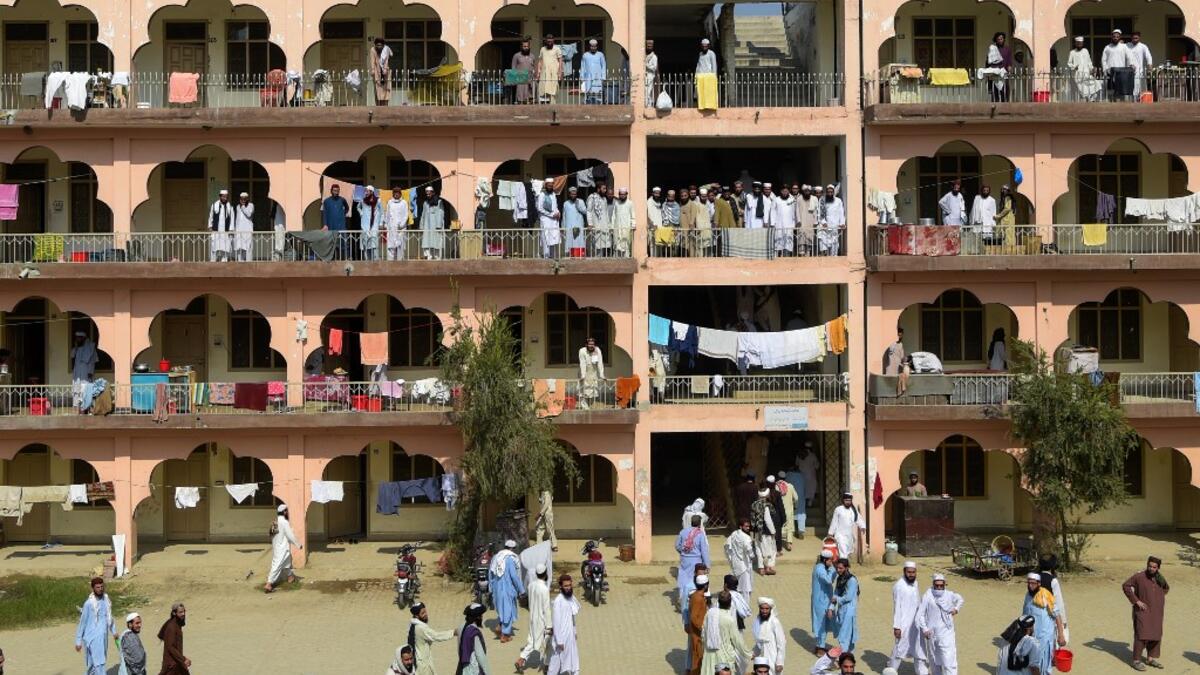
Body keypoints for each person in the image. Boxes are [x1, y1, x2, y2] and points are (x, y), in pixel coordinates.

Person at [1123, 555, 1169, 671]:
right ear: (1147, 565)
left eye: (1154, 567)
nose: (1151, 569)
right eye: (1150, 566)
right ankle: (1136, 660)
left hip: (1157, 612)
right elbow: (1126, 586)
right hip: (1142, 611)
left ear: (1158, 568)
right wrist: (1136, 601)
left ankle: (1150, 658)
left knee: (1156, 635)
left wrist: (1158, 597)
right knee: (1141, 634)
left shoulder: (1159, 578)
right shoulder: (1139, 576)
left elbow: (1166, 588)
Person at [917, 573, 963, 675]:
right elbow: (921, 614)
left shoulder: (949, 595)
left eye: (941, 586)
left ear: (944, 585)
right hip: (931, 633)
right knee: (934, 660)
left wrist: (956, 609)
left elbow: (960, 599)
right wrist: (925, 629)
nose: (938, 588)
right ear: (933, 584)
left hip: (946, 632)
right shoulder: (927, 596)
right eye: (936, 585)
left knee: (948, 659)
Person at [700, 591, 752, 675]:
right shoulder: (729, 619)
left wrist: (705, 647)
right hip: (724, 656)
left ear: (719, 602)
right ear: (730, 603)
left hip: (709, 653)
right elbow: (737, 640)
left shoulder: (710, 613)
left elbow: (703, 633)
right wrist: (748, 654)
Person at [75, 577, 117, 675]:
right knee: (99, 663)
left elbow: (109, 617)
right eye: (98, 587)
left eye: (102, 587)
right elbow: (82, 623)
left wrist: (114, 631)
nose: (100, 589)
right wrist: (78, 641)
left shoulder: (106, 600)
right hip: (92, 638)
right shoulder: (88, 604)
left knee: (93, 665)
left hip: (103, 636)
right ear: (93, 588)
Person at [1023, 573, 1064, 673]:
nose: (1030, 586)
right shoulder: (1028, 596)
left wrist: (1061, 635)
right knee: (1031, 665)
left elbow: (1057, 615)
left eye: (1033, 583)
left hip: (1044, 638)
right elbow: (1024, 615)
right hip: (1031, 637)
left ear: (1039, 583)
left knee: (1044, 666)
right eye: (1029, 583)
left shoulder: (1046, 595)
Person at [889, 562, 924, 674]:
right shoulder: (899, 586)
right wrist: (897, 626)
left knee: (919, 648)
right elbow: (897, 608)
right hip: (904, 624)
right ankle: (891, 670)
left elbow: (918, 602)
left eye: (913, 572)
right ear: (904, 572)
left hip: (916, 623)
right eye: (909, 572)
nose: (911, 575)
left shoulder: (915, 583)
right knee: (899, 649)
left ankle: (921, 672)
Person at [516, 565, 551, 671]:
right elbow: (547, 609)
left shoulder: (531, 585)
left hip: (532, 617)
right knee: (546, 641)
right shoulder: (544, 589)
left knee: (532, 640)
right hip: (541, 619)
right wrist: (549, 626)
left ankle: (521, 660)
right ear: (545, 574)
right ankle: (546, 665)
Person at [489, 539, 525, 643]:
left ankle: (500, 627)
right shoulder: (510, 558)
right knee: (508, 610)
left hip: (497, 588)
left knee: (503, 609)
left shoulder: (496, 557)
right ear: (513, 548)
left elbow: (490, 573)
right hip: (507, 588)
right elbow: (514, 576)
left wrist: (491, 588)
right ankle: (505, 635)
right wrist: (521, 590)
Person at [406, 602, 455, 675]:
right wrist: (453, 632)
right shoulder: (421, 628)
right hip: (423, 664)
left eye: (425, 611)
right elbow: (436, 636)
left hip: (419, 660)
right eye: (422, 613)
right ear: (416, 616)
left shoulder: (412, 624)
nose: (425, 614)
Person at [547, 575, 581, 674]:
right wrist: (560, 641)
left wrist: (574, 631)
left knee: (574, 661)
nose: (568, 588)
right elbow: (556, 623)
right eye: (566, 586)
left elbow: (572, 617)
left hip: (570, 636)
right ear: (561, 586)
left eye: (570, 585)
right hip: (561, 638)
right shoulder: (558, 601)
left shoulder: (571, 598)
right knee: (555, 665)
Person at [265, 503, 302, 592]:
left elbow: (271, 535)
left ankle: (290, 577)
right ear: (284, 512)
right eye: (287, 511)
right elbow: (290, 535)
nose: (288, 513)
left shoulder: (276, 521)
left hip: (277, 547)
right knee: (277, 565)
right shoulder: (284, 522)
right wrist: (298, 544)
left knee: (287, 562)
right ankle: (269, 584)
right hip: (282, 548)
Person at [677, 514, 712, 606]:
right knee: (696, 581)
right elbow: (704, 550)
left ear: (691, 522)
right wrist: (707, 565)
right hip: (696, 561)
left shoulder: (683, 532)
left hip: (684, 560)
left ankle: (682, 598)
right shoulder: (700, 534)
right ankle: (693, 600)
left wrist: (684, 552)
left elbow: (677, 546)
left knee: (683, 579)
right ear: (699, 524)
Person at [828, 559, 859, 653]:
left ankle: (843, 657)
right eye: (837, 568)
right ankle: (848, 656)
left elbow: (849, 597)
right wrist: (831, 608)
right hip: (842, 610)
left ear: (846, 568)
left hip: (849, 610)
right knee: (846, 634)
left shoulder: (852, 580)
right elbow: (836, 593)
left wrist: (837, 599)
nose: (838, 570)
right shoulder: (840, 579)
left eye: (841, 568)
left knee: (844, 635)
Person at [1038, 555, 1068, 644]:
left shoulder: (1035, 579)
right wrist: (1063, 620)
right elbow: (1059, 602)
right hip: (1049, 614)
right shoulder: (1053, 580)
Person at [811, 550, 836, 654]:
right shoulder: (820, 569)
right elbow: (828, 580)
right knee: (821, 623)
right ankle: (820, 647)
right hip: (820, 601)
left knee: (824, 623)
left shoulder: (822, 568)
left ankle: (820, 645)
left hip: (824, 600)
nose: (832, 562)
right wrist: (832, 569)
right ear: (825, 560)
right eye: (830, 560)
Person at [828, 492, 866, 561]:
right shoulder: (838, 509)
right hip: (840, 535)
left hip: (849, 536)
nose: (848, 502)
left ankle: (842, 566)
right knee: (843, 552)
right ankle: (844, 568)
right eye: (846, 500)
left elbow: (858, 519)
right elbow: (834, 522)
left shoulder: (853, 510)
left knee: (846, 552)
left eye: (849, 501)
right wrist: (830, 533)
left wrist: (862, 526)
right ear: (843, 500)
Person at [724, 518, 754, 605]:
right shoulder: (746, 538)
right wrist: (752, 556)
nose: (748, 528)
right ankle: (744, 606)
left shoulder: (733, 534)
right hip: (744, 566)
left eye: (749, 526)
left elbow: (726, 545)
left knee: (736, 586)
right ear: (741, 527)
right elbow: (749, 549)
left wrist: (730, 557)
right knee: (746, 588)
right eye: (746, 526)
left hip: (735, 564)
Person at [752, 597, 785, 673]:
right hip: (762, 657)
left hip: (773, 656)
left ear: (770, 609)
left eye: (767, 609)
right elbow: (760, 641)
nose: (764, 611)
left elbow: (781, 643)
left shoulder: (775, 622)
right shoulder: (759, 621)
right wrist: (754, 653)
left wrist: (780, 662)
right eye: (762, 609)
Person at [686, 575, 711, 675]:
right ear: (705, 586)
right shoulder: (697, 598)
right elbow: (693, 617)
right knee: (697, 659)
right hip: (698, 634)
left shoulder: (698, 596)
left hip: (699, 633)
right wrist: (702, 629)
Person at [750, 488, 778, 575]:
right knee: (769, 550)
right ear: (767, 495)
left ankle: (761, 568)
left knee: (758, 549)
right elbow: (767, 520)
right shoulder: (766, 505)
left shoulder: (754, 504)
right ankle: (768, 568)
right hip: (765, 532)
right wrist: (773, 531)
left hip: (757, 531)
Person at [456, 603, 489, 675]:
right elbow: (480, 655)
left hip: (461, 667)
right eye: (481, 616)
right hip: (473, 669)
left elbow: (459, 649)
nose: (482, 618)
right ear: (478, 617)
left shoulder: (460, 627)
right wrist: (487, 672)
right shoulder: (473, 633)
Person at [157, 602, 190, 675]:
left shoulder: (177, 625)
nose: (183, 614)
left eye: (184, 611)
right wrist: (183, 659)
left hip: (177, 662)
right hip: (171, 665)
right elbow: (171, 647)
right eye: (180, 612)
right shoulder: (171, 627)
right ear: (174, 613)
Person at [70, 330, 99, 409]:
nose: (77, 340)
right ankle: (76, 406)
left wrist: (90, 371)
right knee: (76, 388)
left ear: (83, 338)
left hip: (86, 372)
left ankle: (86, 406)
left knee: (86, 389)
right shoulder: (76, 348)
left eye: (79, 338)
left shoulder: (90, 348)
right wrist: (75, 347)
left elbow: (93, 361)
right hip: (77, 372)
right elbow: (72, 356)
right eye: (76, 338)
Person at [1102, 29, 1134, 101]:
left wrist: (1131, 64)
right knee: (1111, 90)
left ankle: (1121, 108)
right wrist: (1105, 70)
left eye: (1117, 36)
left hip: (1121, 72)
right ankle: (1111, 105)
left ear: (1120, 37)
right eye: (1114, 36)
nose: (1115, 38)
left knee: (1121, 91)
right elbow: (1103, 60)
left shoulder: (1124, 46)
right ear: (1112, 37)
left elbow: (1129, 57)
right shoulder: (1107, 47)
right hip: (1110, 71)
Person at [1067, 37, 1102, 102]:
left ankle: (1092, 98)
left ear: (1082, 43)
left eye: (1081, 43)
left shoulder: (1085, 51)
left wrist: (1092, 68)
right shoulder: (1072, 52)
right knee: (1083, 89)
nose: (1079, 44)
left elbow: (1089, 61)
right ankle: (1089, 100)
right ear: (1076, 43)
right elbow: (1069, 63)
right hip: (1078, 74)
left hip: (1086, 72)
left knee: (1096, 84)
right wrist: (1074, 67)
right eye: (1078, 43)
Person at [534, 179, 562, 259]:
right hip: (545, 220)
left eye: (552, 185)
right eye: (549, 185)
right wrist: (551, 214)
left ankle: (553, 258)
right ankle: (546, 258)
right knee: (546, 239)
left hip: (554, 221)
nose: (550, 187)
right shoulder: (542, 195)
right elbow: (540, 208)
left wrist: (558, 212)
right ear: (545, 185)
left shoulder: (553, 194)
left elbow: (555, 206)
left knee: (553, 238)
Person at [322, 184, 351, 259]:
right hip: (331, 226)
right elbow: (325, 213)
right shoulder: (326, 201)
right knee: (332, 244)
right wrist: (325, 224)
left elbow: (347, 208)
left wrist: (342, 215)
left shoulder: (342, 200)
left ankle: (346, 259)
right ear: (331, 191)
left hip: (341, 226)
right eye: (334, 191)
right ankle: (331, 261)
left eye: (338, 191)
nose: (336, 192)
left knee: (344, 244)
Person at [586, 183, 614, 256]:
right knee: (596, 246)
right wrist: (590, 223)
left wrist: (609, 225)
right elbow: (588, 211)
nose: (605, 190)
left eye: (605, 189)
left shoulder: (604, 199)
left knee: (604, 246)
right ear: (598, 189)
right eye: (603, 188)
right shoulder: (592, 197)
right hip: (596, 225)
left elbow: (606, 213)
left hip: (604, 226)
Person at [418, 186, 446, 260]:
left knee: (436, 240)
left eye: (429, 193)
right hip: (427, 224)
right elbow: (423, 214)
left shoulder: (439, 202)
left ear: (433, 193)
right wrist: (421, 225)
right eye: (427, 194)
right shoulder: (425, 203)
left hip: (436, 225)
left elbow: (441, 213)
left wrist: (439, 225)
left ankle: (437, 256)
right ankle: (428, 255)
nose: (428, 195)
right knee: (426, 240)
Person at [577, 336, 605, 408]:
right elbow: (582, 363)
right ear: (586, 345)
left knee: (593, 392)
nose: (591, 346)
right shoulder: (582, 351)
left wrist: (602, 375)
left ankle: (589, 408)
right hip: (584, 372)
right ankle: (585, 409)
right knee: (583, 392)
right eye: (590, 344)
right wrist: (583, 375)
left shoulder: (597, 350)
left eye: (593, 344)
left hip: (593, 373)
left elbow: (600, 363)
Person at [535, 34, 564, 103]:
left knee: (553, 91)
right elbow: (540, 61)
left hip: (554, 73)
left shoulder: (557, 49)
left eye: (551, 41)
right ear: (546, 41)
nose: (549, 43)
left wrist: (560, 72)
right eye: (548, 41)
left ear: (553, 41)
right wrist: (538, 73)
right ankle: (544, 108)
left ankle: (553, 107)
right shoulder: (542, 49)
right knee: (543, 90)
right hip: (544, 73)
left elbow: (560, 61)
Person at [817, 184, 844, 256]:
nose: (830, 193)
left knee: (834, 248)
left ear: (833, 192)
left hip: (834, 227)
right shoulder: (822, 200)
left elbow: (841, 213)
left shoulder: (838, 201)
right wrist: (823, 222)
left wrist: (842, 223)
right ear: (826, 192)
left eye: (831, 192)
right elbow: (820, 212)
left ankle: (834, 263)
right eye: (828, 192)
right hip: (824, 228)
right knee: (824, 247)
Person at [986, 32, 1013, 102]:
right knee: (995, 92)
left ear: (1004, 39)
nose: (1000, 40)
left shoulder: (1007, 49)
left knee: (1004, 91)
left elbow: (1009, 60)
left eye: (1001, 39)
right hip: (995, 72)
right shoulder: (993, 49)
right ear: (996, 40)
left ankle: (1005, 107)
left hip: (1004, 73)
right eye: (998, 39)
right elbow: (988, 61)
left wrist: (1009, 67)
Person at [385, 186, 410, 261]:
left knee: (400, 247)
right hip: (391, 228)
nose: (396, 194)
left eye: (397, 193)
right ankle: (390, 263)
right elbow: (387, 214)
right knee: (391, 246)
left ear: (400, 194)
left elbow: (406, 215)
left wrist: (402, 225)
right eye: (394, 193)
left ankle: (400, 263)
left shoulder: (404, 202)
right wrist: (386, 225)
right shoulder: (390, 202)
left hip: (401, 229)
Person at [208, 189, 234, 261]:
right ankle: (213, 262)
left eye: (226, 197)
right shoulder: (214, 205)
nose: (225, 198)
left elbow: (232, 218)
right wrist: (210, 226)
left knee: (225, 248)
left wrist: (231, 229)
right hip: (216, 230)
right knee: (214, 247)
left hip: (226, 231)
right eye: (223, 196)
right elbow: (211, 216)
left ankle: (224, 262)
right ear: (220, 197)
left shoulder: (230, 206)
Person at [560, 186, 587, 257]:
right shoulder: (566, 203)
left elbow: (585, 211)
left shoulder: (580, 201)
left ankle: (579, 257)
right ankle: (570, 257)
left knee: (579, 243)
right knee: (570, 243)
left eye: (575, 194)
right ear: (569, 194)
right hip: (569, 227)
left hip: (579, 227)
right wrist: (563, 227)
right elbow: (564, 216)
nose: (573, 195)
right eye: (572, 194)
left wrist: (578, 206)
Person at [358, 186, 383, 261]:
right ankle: (367, 261)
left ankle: (375, 261)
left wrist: (381, 223)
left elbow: (382, 212)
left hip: (374, 224)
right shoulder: (363, 200)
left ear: (372, 192)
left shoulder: (378, 200)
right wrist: (361, 212)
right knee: (365, 244)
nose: (366, 192)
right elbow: (358, 207)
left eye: (367, 191)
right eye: (365, 191)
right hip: (365, 225)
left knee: (374, 243)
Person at [775, 472, 799, 550]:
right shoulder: (790, 486)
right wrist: (795, 506)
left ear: (778, 478)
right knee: (789, 527)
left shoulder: (776, 487)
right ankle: (789, 544)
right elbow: (796, 498)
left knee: (779, 526)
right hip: (789, 511)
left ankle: (778, 543)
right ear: (785, 478)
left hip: (779, 511)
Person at [231, 191, 256, 261]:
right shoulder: (237, 207)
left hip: (247, 230)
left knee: (248, 247)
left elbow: (249, 214)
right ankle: (240, 262)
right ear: (240, 199)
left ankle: (248, 262)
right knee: (239, 247)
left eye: (245, 199)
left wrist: (243, 207)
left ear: (247, 199)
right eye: (242, 199)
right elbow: (237, 219)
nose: (243, 200)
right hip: (239, 230)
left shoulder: (251, 205)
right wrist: (235, 229)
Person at [773, 185, 797, 257]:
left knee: (788, 242)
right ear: (781, 191)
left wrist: (794, 223)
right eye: (783, 191)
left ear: (789, 191)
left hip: (789, 224)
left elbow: (794, 212)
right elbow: (773, 211)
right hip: (778, 224)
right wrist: (773, 223)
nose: (785, 192)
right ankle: (777, 257)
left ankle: (787, 258)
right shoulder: (776, 199)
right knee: (778, 241)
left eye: (786, 191)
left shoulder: (792, 199)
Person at [695, 38, 718, 111]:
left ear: (708, 46)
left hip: (709, 77)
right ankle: (702, 106)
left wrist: (714, 75)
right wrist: (696, 74)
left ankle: (709, 106)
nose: (704, 47)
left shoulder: (711, 53)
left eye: (706, 46)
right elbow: (698, 65)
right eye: (703, 46)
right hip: (701, 77)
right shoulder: (700, 54)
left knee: (709, 93)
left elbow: (714, 65)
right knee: (701, 93)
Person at [580, 39, 606, 104]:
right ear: (589, 46)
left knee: (598, 95)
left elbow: (603, 66)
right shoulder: (585, 55)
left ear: (597, 46)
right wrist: (582, 77)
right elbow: (583, 67)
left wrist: (603, 77)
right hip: (588, 78)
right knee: (588, 95)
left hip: (598, 78)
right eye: (592, 46)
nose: (593, 48)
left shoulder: (600, 55)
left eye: (594, 46)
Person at [1128, 31, 1153, 98]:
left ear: (1139, 38)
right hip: (1128, 69)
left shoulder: (1143, 46)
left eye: (1136, 38)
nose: (1135, 39)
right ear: (1131, 38)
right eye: (1134, 38)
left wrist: (1149, 65)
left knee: (1137, 85)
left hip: (1139, 70)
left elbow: (1148, 56)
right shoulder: (1127, 45)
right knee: (1129, 85)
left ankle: (1136, 99)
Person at [611, 186, 634, 257]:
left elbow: (633, 215)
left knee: (626, 247)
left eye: (624, 194)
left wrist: (633, 225)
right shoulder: (616, 203)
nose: (622, 196)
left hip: (626, 228)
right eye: (621, 194)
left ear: (626, 194)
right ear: (619, 195)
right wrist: (612, 227)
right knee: (616, 247)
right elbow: (613, 216)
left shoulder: (630, 203)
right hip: (617, 228)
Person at [511, 39, 535, 104]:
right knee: (520, 101)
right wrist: (514, 79)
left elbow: (533, 68)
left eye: (527, 46)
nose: (526, 48)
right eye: (524, 46)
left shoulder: (532, 56)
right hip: (520, 81)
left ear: (529, 47)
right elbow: (513, 68)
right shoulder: (516, 56)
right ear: (521, 47)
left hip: (529, 81)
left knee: (529, 101)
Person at [371, 37, 393, 105]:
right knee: (378, 90)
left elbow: (386, 60)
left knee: (386, 90)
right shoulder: (373, 50)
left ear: (383, 45)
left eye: (380, 45)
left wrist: (385, 69)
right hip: (377, 72)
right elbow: (372, 61)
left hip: (385, 72)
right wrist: (373, 70)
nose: (379, 47)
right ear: (375, 45)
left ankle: (386, 106)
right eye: (378, 45)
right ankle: (378, 106)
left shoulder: (386, 49)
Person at [644, 40, 658, 107]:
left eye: (650, 46)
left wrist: (646, 66)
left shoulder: (654, 56)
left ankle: (648, 107)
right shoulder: (644, 56)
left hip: (650, 76)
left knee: (648, 92)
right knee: (644, 92)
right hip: (644, 77)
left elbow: (654, 68)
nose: (649, 47)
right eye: (648, 46)